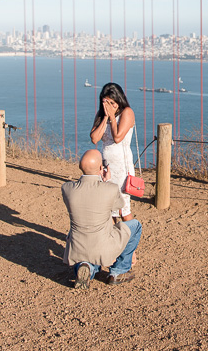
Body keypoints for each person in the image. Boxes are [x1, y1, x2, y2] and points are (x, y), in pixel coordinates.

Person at [61, 149, 142, 288]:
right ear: (101, 168)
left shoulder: (67, 188)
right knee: (135, 225)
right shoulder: (110, 189)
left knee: (87, 244)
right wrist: (107, 181)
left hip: (77, 247)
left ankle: (86, 266)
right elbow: (119, 206)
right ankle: (118, 271)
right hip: (102, 245)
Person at [89, 82, 137, 221]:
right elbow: (94, 138)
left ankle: (130, 237)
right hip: (106, 166)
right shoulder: (101, 114)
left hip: (122, 166)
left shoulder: (127, 112)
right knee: (108, 207)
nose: (109, 106)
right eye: (105, 102)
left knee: (123, 207)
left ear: (118, 100)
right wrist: (105, 117)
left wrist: (111, 118)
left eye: (112, 102)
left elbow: (117, 137)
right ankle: (112, 239)